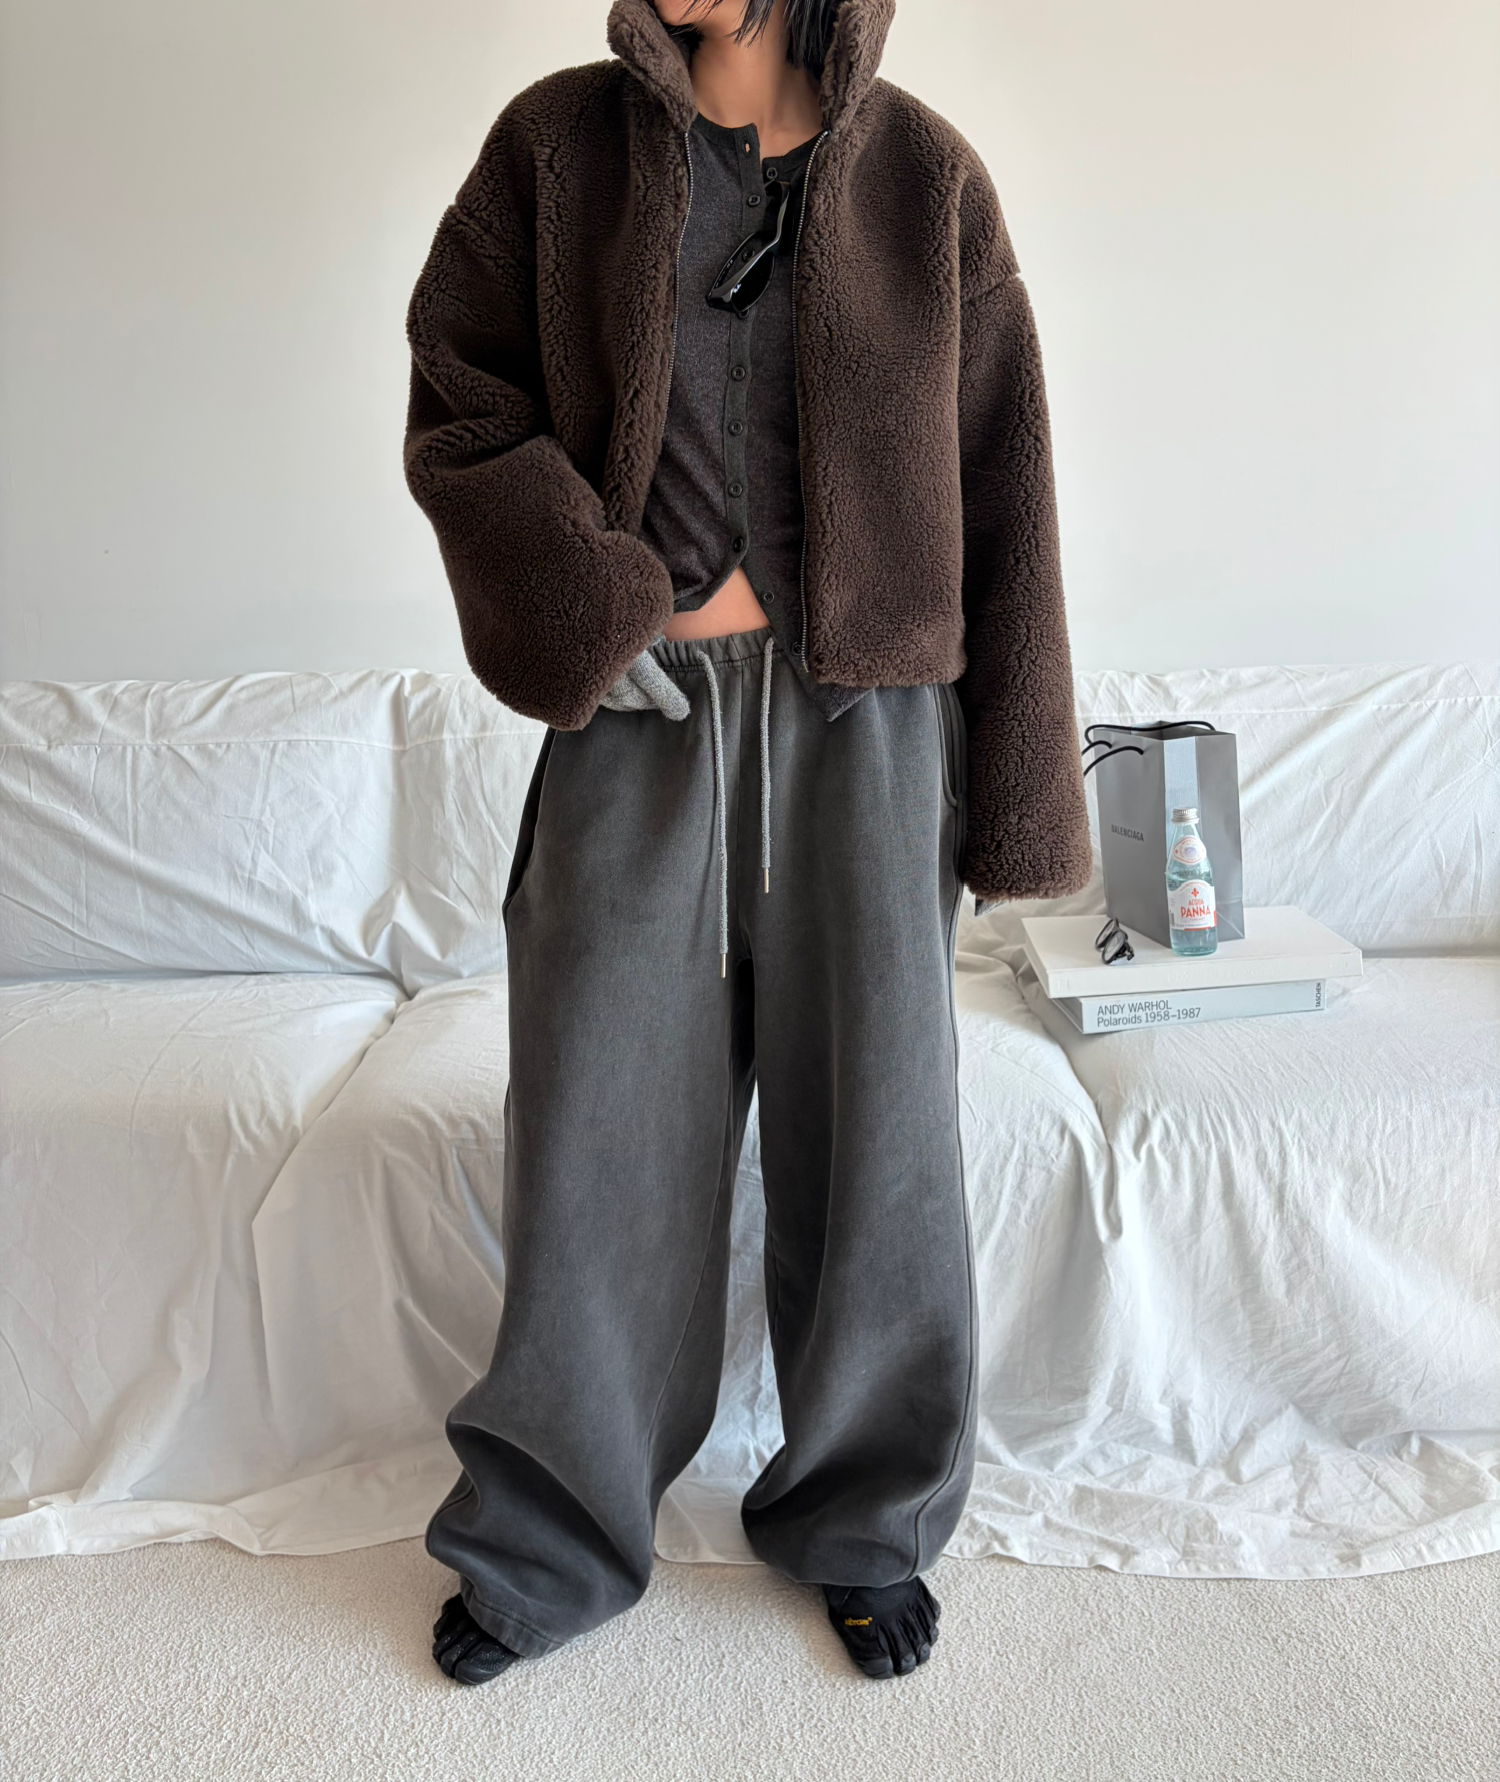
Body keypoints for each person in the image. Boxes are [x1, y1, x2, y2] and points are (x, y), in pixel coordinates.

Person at [402, 0, 1091, 1685]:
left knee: (883, 1144)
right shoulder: (555, 151)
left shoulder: (926, 179)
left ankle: (864, 1520)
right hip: (636, 721)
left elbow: (1006, 486)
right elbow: (462, 402)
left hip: (874, 732)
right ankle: (551, 1536)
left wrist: (1017, 788)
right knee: (597, 1136)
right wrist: (587, 602)